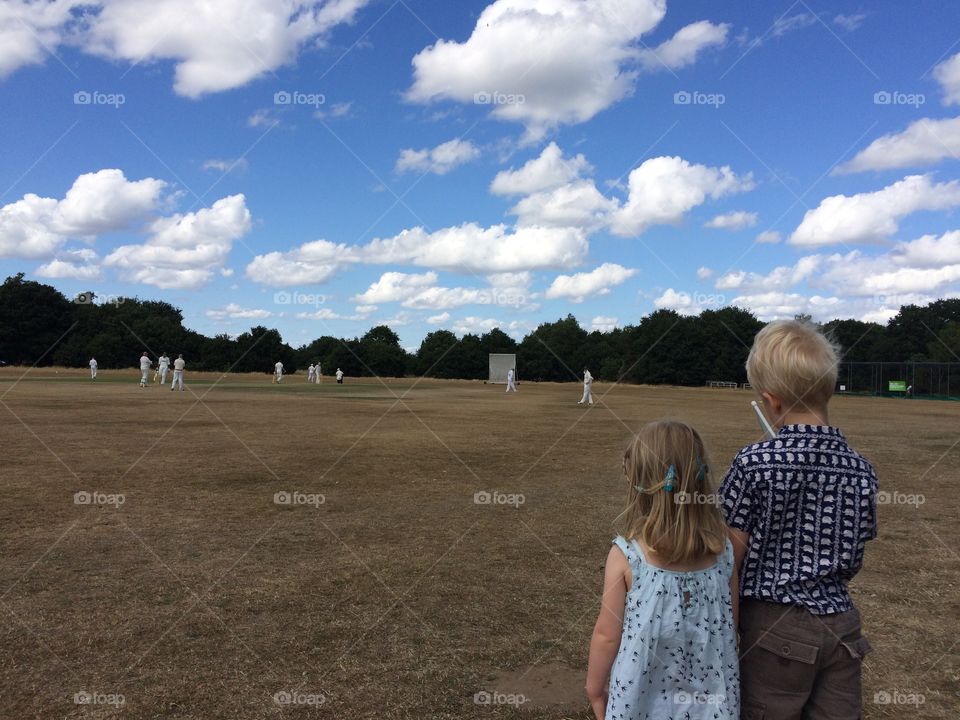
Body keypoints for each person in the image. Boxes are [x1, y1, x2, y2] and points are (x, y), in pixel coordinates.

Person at [719, 319, 877, 720]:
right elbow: (856, 548)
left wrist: (730, 624)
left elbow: (729, 560)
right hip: (842, 627)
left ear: (771, 401)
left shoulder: (753, 462)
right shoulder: (862, 469)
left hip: (774, 631)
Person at [586, 421, 739, 719]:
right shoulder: (724, 552)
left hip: (640, 704)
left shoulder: (626, 556)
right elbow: (730, 625)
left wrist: (594, 688)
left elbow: (607, 634)